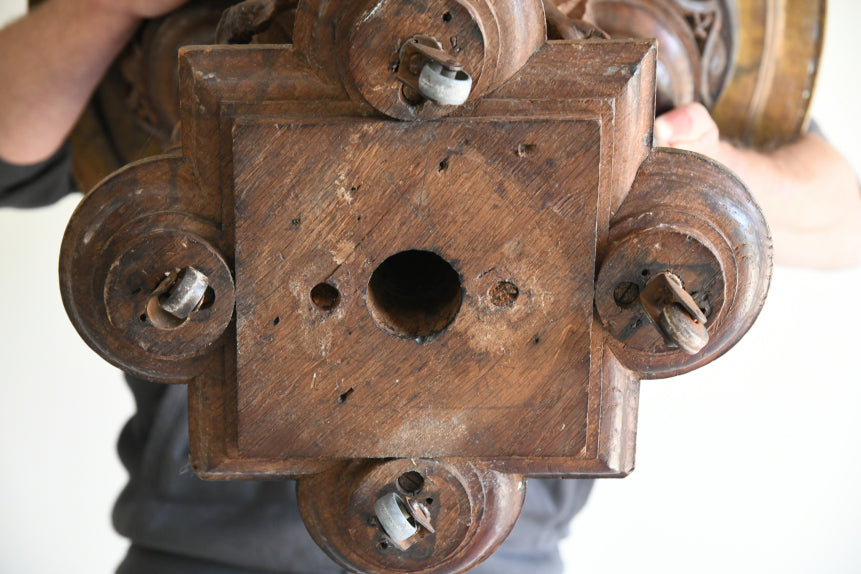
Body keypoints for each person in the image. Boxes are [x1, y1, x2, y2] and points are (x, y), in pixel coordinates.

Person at [0, 2, 858, 573]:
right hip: (206, 549)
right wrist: (107, 6)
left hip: (501, 552)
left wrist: (700, 167)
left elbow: (842, 215)